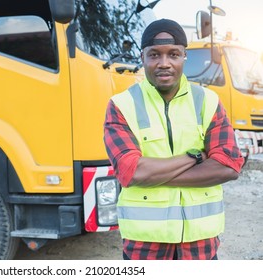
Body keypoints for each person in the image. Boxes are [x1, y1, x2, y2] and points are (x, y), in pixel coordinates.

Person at [103, 18, 244, 260]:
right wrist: (195, 157)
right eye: (155, 55)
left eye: (174, 54)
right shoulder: (121, 105)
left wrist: (154, 175)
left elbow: (229, 165)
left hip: (200, 249)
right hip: (145, 249)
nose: (164, 63)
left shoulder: (208, 101)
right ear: (143, 57)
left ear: (184, 57)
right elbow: (132, 173)